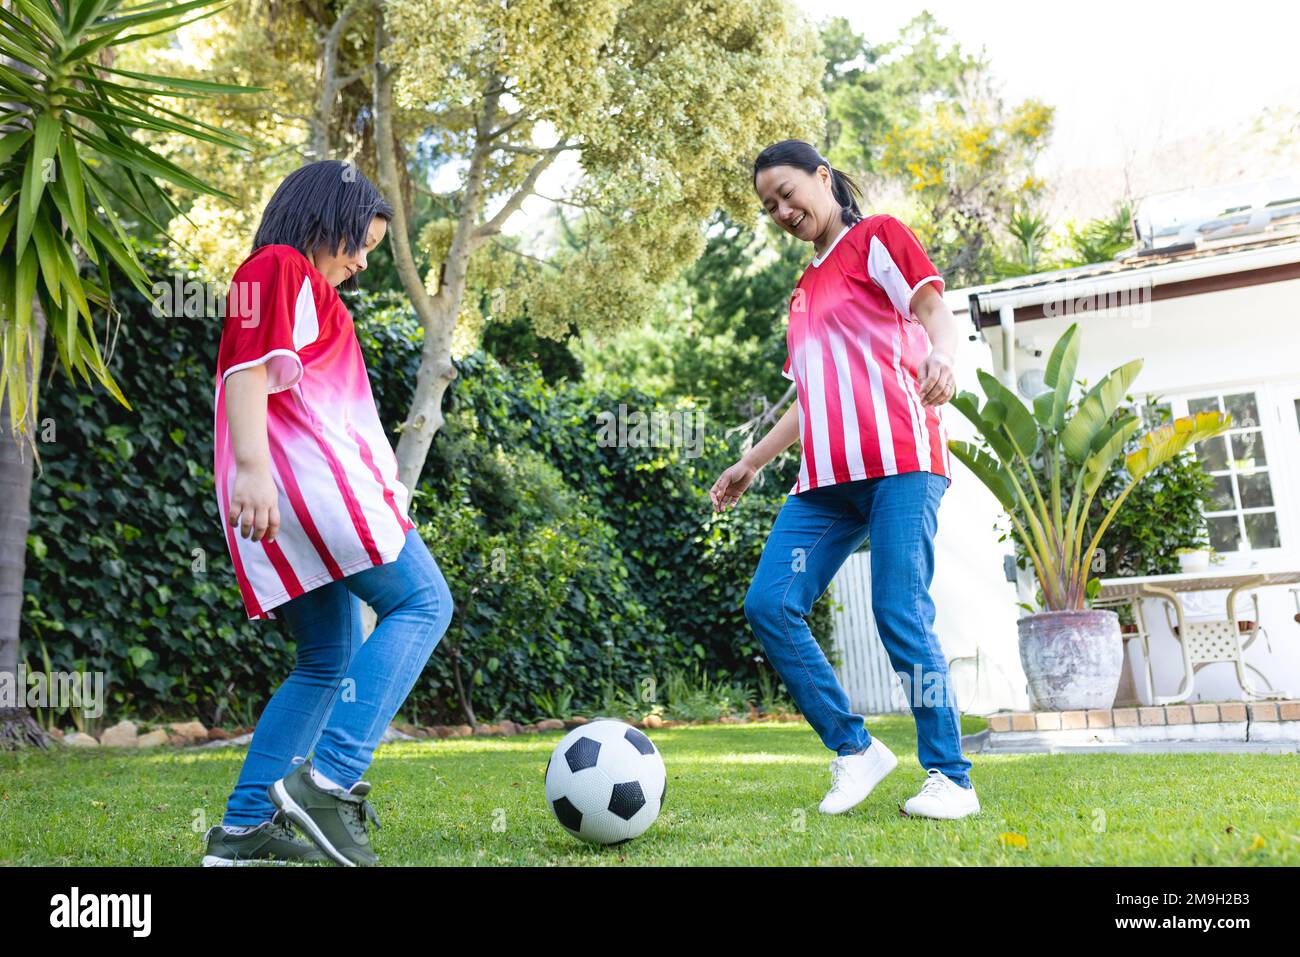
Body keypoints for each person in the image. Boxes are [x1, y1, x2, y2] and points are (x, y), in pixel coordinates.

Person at [710, 139, 978, 820]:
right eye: (767, 204)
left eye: (787, 191)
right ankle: (854, 749)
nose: (780, 209)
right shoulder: (801, 292)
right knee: (770, 603)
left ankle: (951, 777)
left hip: (900, 462)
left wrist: (944, 358)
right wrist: (751, 460)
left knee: (898, 611)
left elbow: (933, 311)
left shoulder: (878, 238)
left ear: (822, 177)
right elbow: (808, 398)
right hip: (825, 481)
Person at [201, 160, 454, 866]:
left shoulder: (306, 287)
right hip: (309, 488)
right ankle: (328, 780)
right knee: (426, 602)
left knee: (326, 657)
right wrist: (253, 469)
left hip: (300, 493)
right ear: (322, 219)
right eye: (358, 243)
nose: (363, 261)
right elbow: (247, 370)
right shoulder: (276, 265)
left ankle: (246, 830)